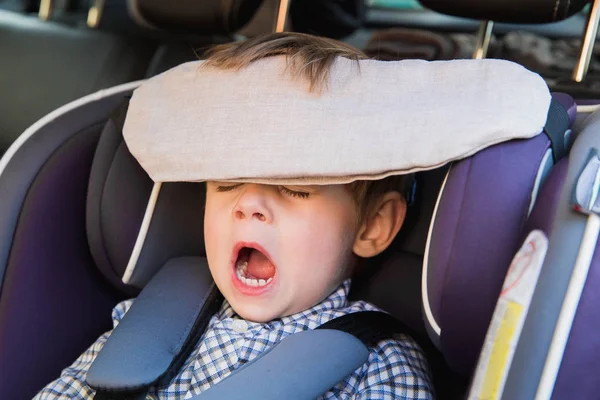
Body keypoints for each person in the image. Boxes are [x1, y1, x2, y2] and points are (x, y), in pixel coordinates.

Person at [34, 32, 434, 400]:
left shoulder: (378, 362)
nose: (247, 205)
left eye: (294, 187)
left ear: (372, 226)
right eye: (226, 184)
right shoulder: (150, 320)